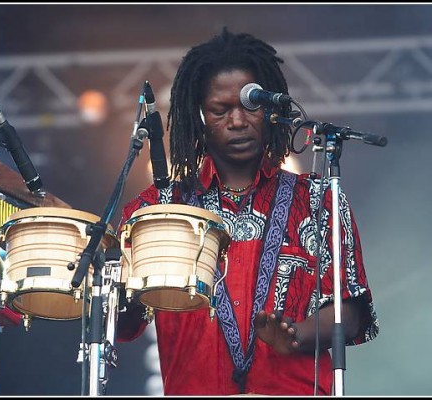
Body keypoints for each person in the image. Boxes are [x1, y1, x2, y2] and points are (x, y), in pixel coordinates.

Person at [116, 27, 379, 396]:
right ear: (199, 117)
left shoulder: (320, 199)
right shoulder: (156, 209)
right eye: (220, 110)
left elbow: (351, 311)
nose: (238, 121)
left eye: (250, 107)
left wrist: (296, 335)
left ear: (271, 110)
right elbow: (123, 326)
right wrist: (113, 282)